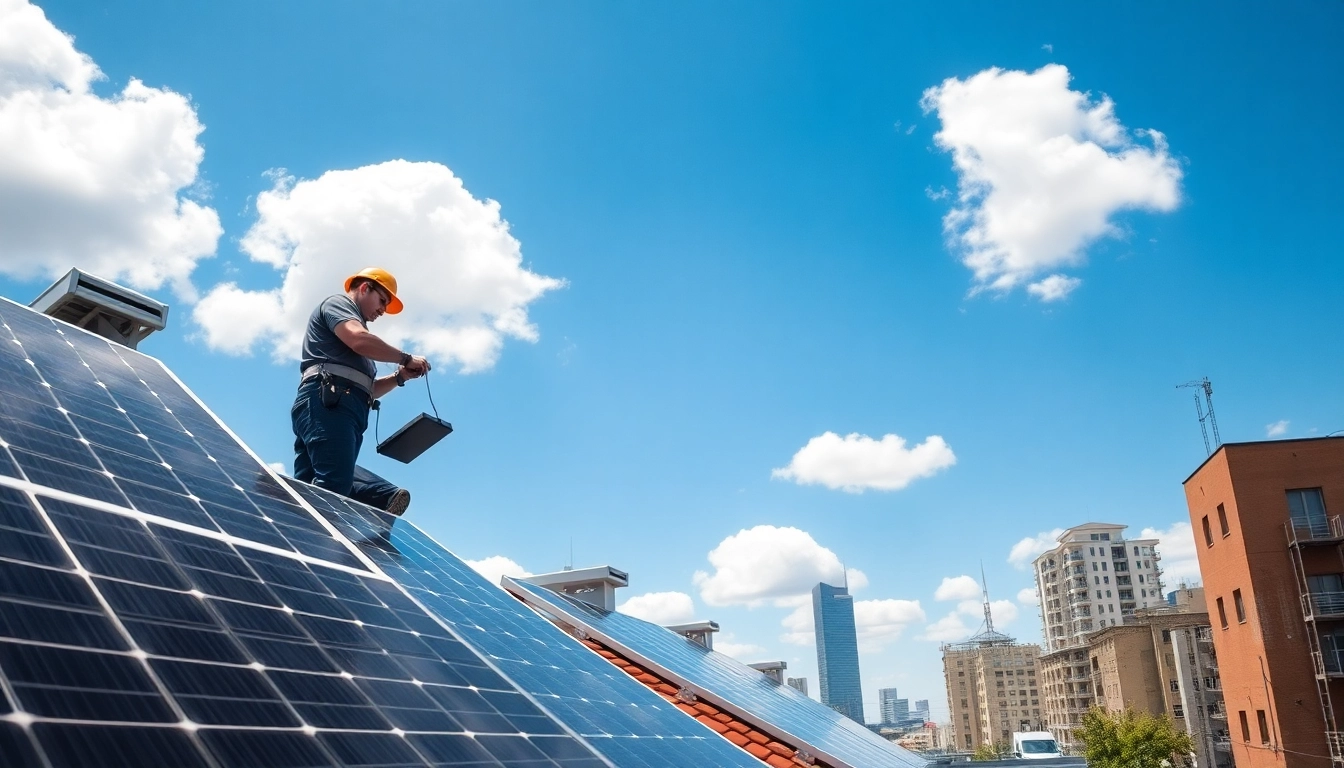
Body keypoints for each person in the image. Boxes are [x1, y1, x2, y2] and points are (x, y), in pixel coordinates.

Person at [291, 267, 430, 516]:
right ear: (365, 288)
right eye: (382, 301)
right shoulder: (338, 304)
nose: (382, 310)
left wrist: (400, 376)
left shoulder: (363, 356)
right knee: (333, 486)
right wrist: (406, 357)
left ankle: (306, 537)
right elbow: (359, 339)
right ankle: (379, 495)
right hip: (328, 402)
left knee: (308, 490)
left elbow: (368, 390)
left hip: (343, 406)